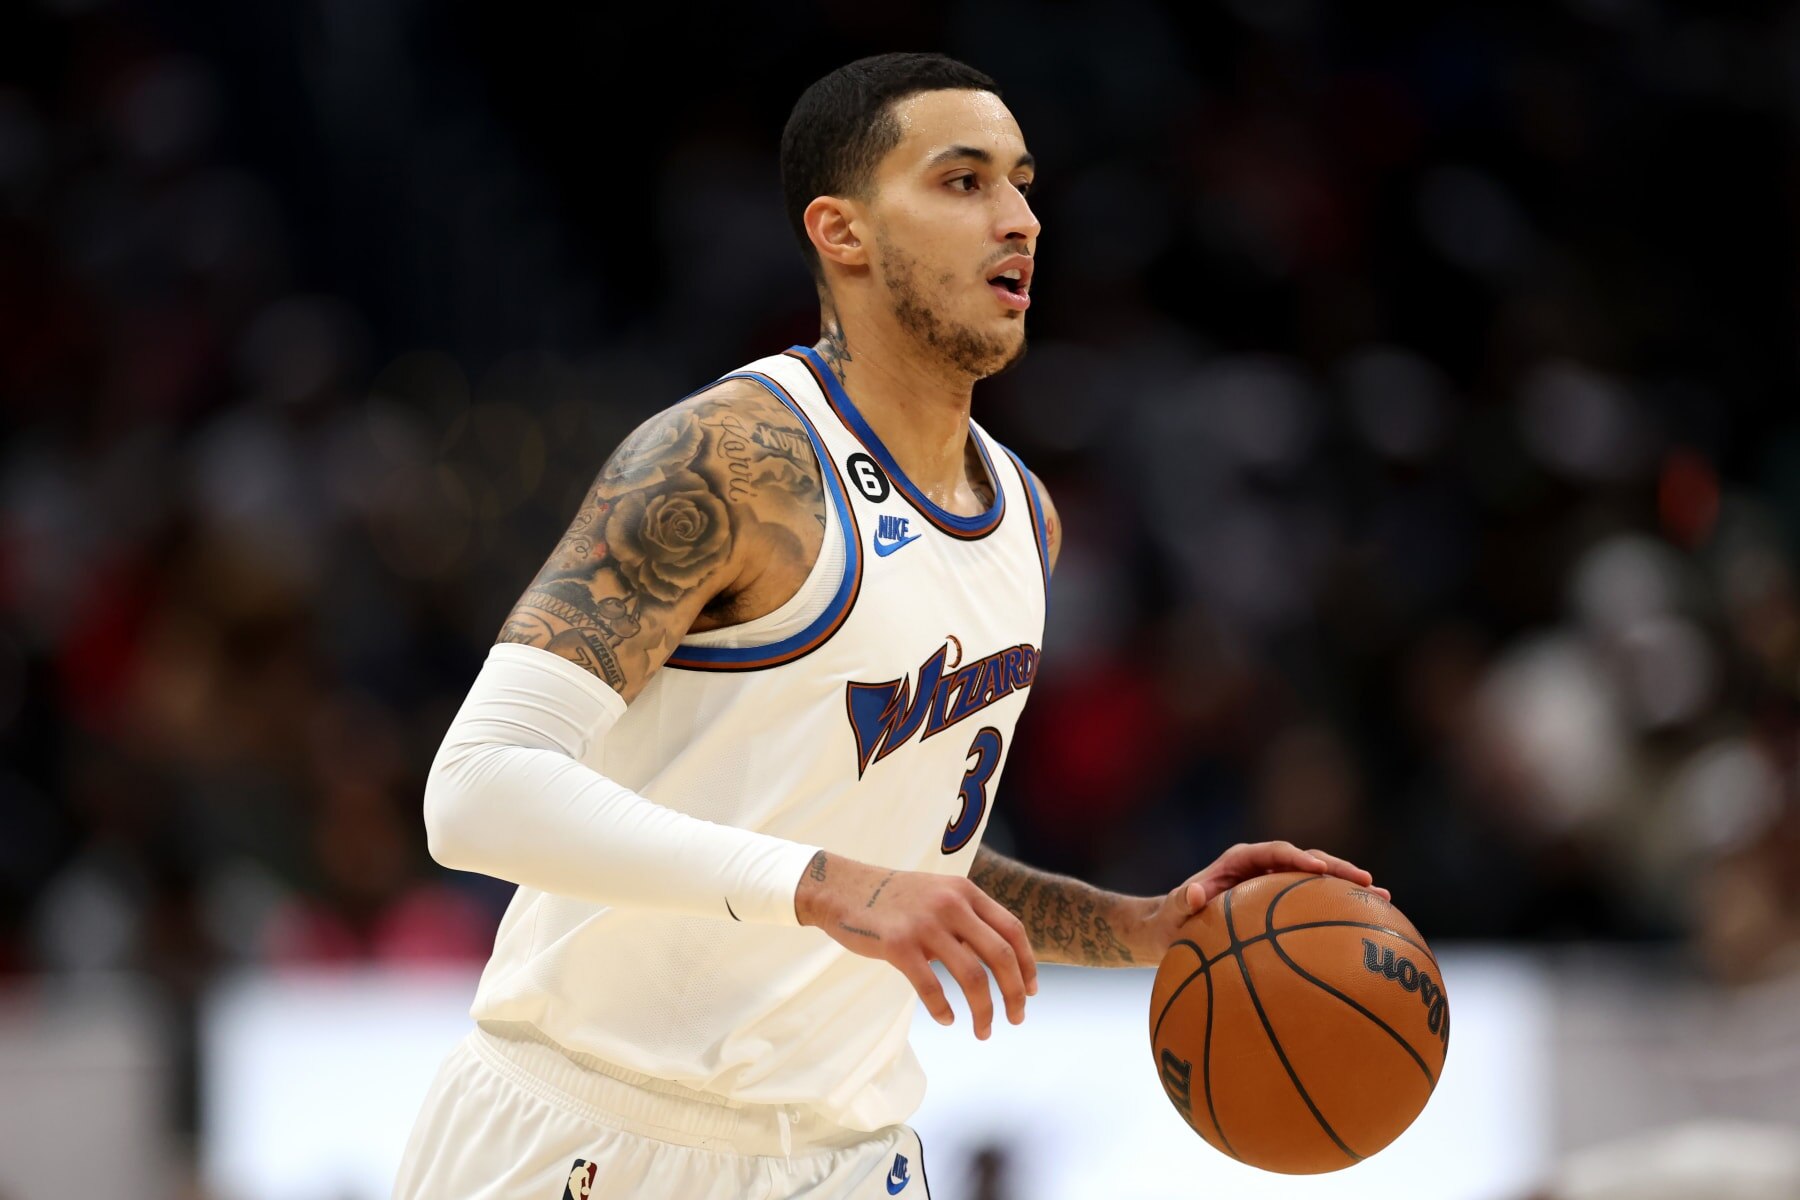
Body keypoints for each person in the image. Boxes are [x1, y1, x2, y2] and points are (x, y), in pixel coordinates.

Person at [393, 52, 1383, 1200]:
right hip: (590, 1131)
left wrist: (1140, 928)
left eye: (1021, 183)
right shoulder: (728, 464)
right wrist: (827, 886)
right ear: (842, 232)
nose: (1017, 219)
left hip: (846, 1155)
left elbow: (907, 854)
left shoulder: (1026, 519)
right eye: (962, 182)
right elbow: (475, 791)